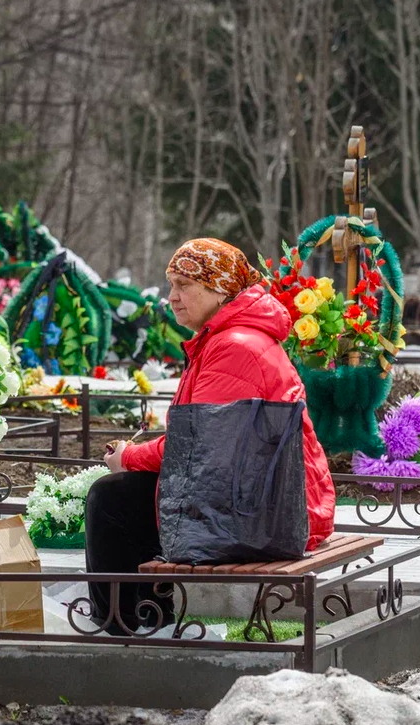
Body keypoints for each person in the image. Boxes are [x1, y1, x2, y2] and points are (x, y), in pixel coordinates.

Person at [85, 237, 335, 634]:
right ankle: (148, 617)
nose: (173, 297)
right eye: (171, 285)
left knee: (111, 498)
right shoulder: (229, 338)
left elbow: (198, 449)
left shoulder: (234, 346)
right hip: (265, 500)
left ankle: (123, 628)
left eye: (184, 285)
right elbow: (204, 442)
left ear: (218, 288)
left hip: (269, 515)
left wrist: (128, 456)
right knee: (132, 493)